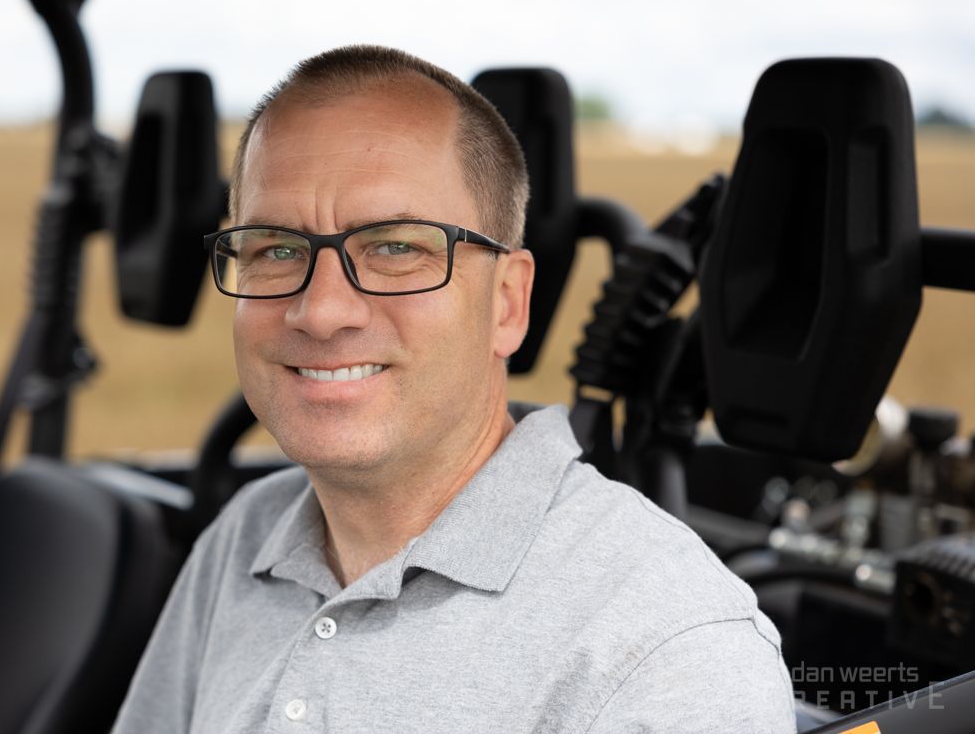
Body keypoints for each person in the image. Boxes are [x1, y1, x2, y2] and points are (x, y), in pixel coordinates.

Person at [112, 45, 795, 733]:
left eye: (396, 248)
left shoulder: (667, 650)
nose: (320, 312)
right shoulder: (247, 537)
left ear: (507, 303)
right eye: (275, 248)